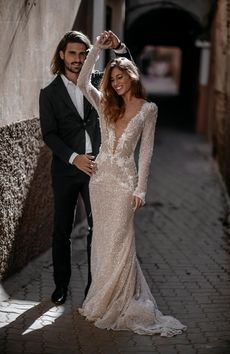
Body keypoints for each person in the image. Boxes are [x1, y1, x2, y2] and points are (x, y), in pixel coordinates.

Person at [77, 31, 187, 336]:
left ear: (131, 75)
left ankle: (123, 299)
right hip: (100, 180)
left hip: (125, 182)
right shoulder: (104, 104)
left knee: (121, 242)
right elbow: (82, 82)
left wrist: (141, 189)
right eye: (112, 79)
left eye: (120, 76)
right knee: (101, 242)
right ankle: (102, 300)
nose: (115, 83)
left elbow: (147, 152)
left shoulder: (148, 109)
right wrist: (96, 49)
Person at [39, 30, 132, 306]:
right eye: (73, 53)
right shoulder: (49, 92)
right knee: (62, 231)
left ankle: (94, 288)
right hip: (67, 169)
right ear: (62, 55)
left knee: (98, 229)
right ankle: (61, 286)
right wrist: (74, 158)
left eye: (83, 53)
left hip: (100, 169)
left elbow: (129, 76)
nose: (78, 59)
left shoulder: (99, 81)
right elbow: (49, 134)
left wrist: (119, 47)